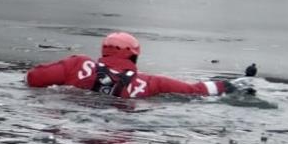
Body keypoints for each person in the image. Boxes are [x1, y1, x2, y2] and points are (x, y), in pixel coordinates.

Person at [26, 32, 254, 98]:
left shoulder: (78, 64)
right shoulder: (149, 83)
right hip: (127, 115)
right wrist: (235, 84)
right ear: (134, 56)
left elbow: (32, 79)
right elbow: (196, 90)